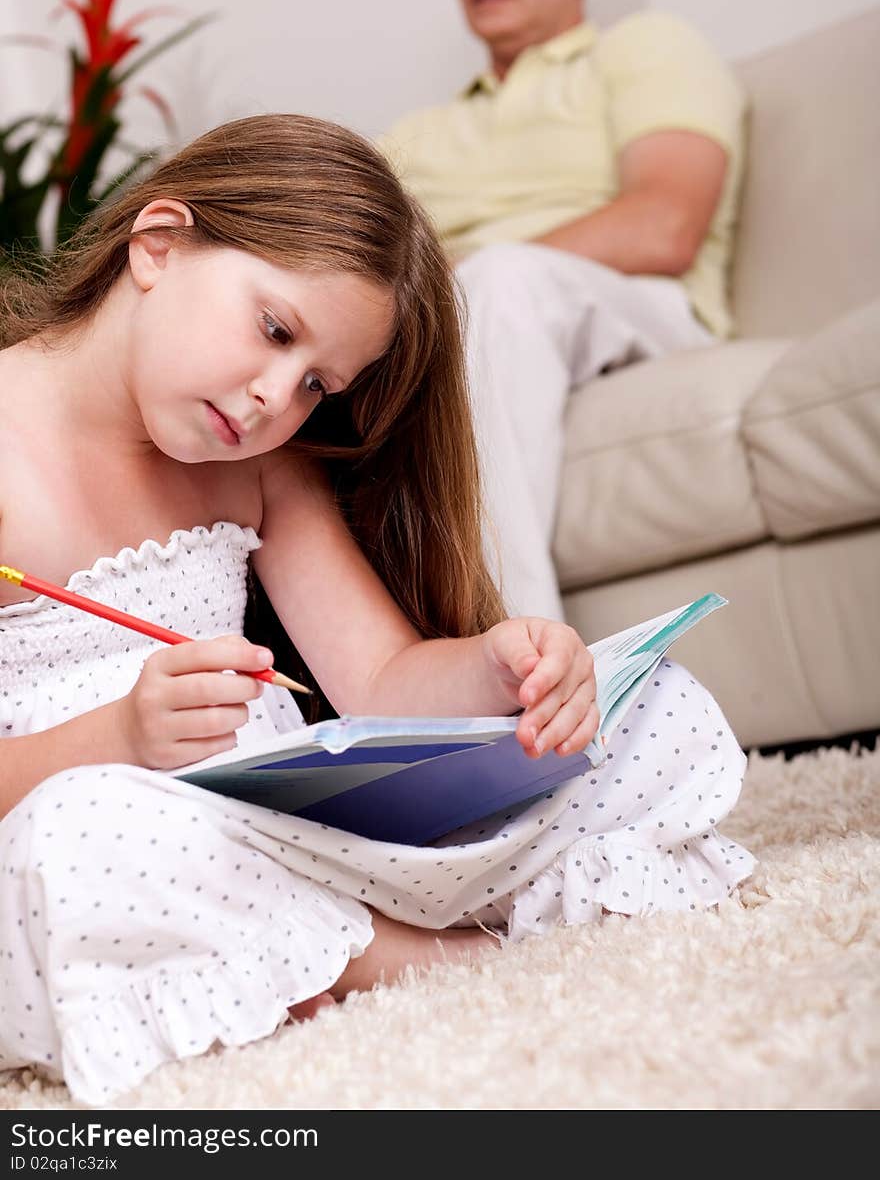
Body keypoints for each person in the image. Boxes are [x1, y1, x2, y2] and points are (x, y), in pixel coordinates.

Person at [0, 114, 754, 1105]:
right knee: (84, 839)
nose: (277, 395)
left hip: (282, 831)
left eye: (317, 382)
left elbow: (383, 682)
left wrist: (504, 665)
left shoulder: (258, 468)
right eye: (274, 330)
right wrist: (121, 732)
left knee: (643, 707)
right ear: (158, 244)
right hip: (90, 827)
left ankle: (314, 953)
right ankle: (427, 958)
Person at [380, 0, 747, 620]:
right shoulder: (419, 133)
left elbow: (665, 224)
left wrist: (469, 277)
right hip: (474, 321)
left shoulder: (645, 48)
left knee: (505, 283)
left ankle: (520, 659)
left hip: (637, 313)